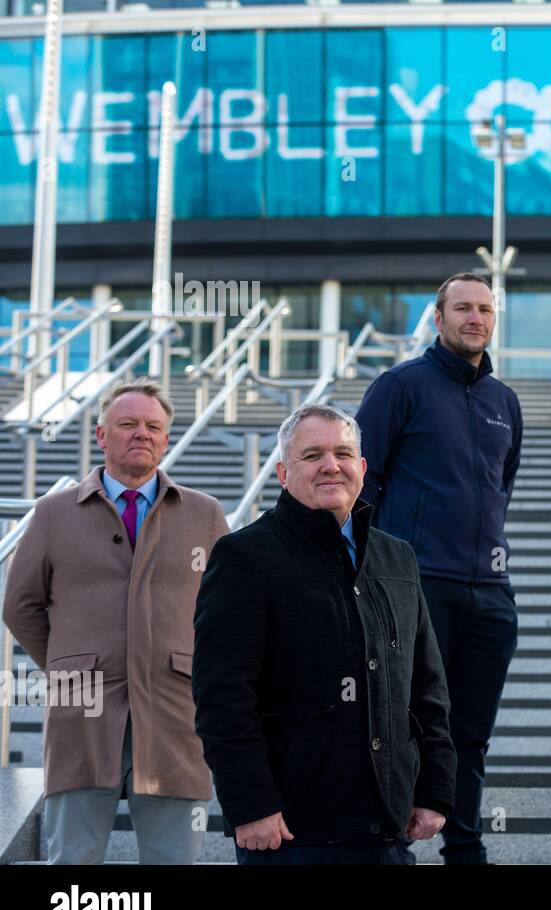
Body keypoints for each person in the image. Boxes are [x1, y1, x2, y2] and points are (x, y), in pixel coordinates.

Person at [192, 404, 456, 865]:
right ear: (282, 472)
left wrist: (435, 788)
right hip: (290, 833)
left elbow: (427, 687)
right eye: (312, 455)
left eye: (343, 454)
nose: (331, 466)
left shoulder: (397, 558)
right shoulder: (244, 557)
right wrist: (250, 804)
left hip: (386, 832)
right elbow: (222, 696)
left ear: (362, 467)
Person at [3, 380, 229, 864]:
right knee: (73, 864)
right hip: (80, 716)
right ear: (102, 435)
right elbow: (20, 605)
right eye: (127, 424)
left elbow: (229, 610)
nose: (141, 434)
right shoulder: (52, 513)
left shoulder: (205, 514)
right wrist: (68, 665)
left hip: (175, 715)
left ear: (166, 440)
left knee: (174, 861)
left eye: (153, 426)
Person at [355, 274, 523, 865]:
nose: (475, 318)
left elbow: (501, 488)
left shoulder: (504, 402)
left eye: (485, 309)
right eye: (463, 308)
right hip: (414, 587)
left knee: (469, 735)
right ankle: (390, 844)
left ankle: (465, 847)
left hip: (489, 591)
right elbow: (361, 482)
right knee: (401, 725)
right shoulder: (400, 387)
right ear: (438, 316)